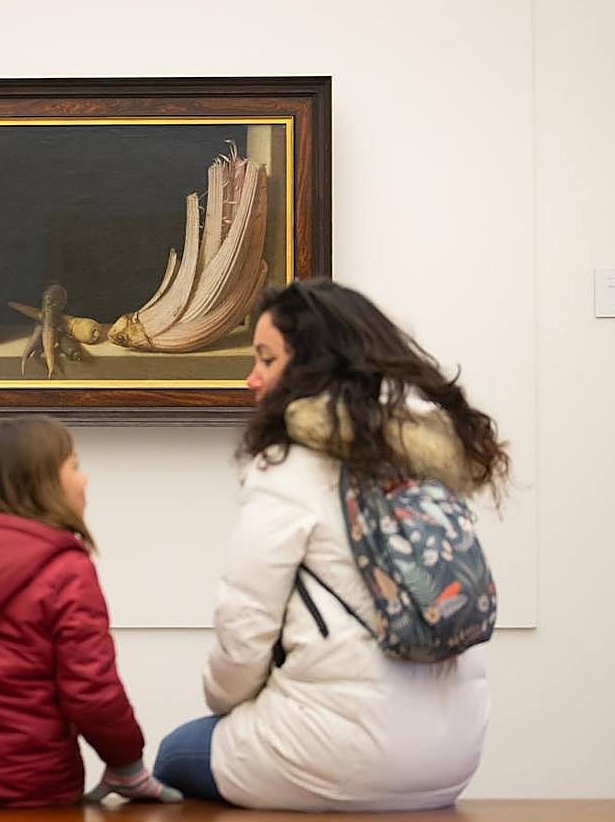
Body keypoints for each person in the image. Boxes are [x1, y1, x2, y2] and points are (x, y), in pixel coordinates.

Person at [153, 278, 511, 811]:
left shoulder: (289, 469)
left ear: (310, 367)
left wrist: (227, 703)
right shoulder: (418, 462)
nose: (252, 377)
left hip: (342, 754)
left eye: (266, 359)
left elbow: (244, 629)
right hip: (456, 755)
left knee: (176, 753)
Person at [0, 416, 180, 807]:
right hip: (32, 780)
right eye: (75, 465)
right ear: (40, 481)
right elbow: (91, 688)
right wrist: (126, 765)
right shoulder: (65, 566)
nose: (84, 479)